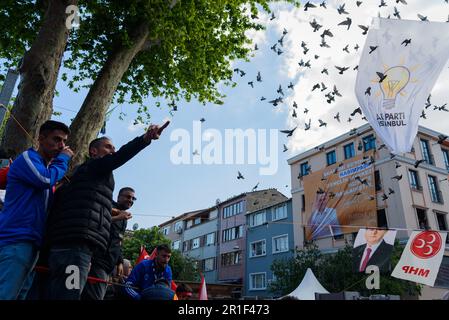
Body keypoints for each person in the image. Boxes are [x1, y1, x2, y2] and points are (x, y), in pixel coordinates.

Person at [45, 121, 169, 300]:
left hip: (76, 247)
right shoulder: (94, 167)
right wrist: (145, 138)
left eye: (114, 148)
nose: (112, 151)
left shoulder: (81, 179)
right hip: (75, 248)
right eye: (108, 147)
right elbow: (120, 156)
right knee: (68, 295)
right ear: (93, 152)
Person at [0, 120, 73, 300]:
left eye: (64, 142)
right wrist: (63, 159)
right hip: (16, 240)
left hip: (31, 243)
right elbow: (44, 179)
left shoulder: (45, 167)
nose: (61, 146)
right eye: (56, 139)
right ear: (40, 138)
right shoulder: (28, 159)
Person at [82, 187, 135, 300]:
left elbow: (118, 240)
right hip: (98, 260)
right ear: (118, 197)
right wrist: (118, 217)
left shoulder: (124, 219)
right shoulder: (108, 206)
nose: (130, 200)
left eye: (133, 198)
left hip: (110, 265)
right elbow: (97, 223)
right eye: (128, 196)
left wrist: (120, 261)